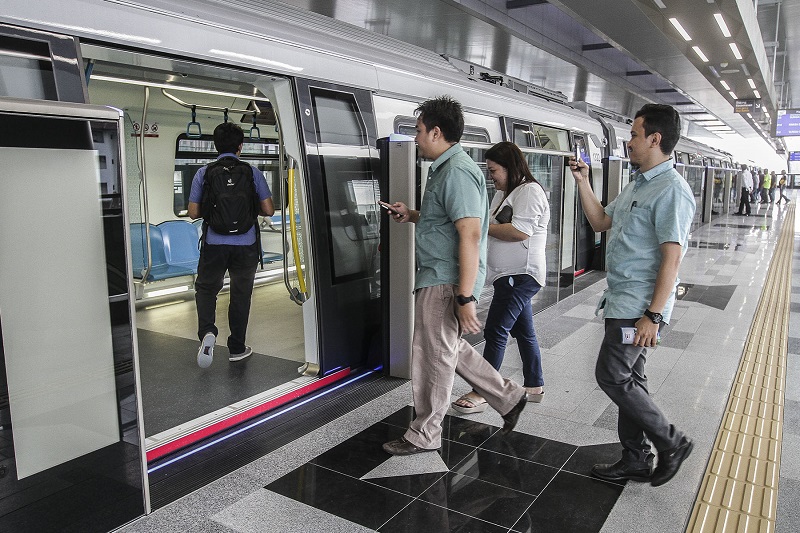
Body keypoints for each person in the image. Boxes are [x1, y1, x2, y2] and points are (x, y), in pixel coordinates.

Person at [381, 96, 528, 456]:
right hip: (441, 276)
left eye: (418, 132)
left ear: (436, 131)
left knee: (433, 356)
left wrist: (464, 296)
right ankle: (509, 398)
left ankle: (424, 434)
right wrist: (411, 214)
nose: (415, 139)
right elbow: (447, 222)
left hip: (445, 280)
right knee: (448, 348)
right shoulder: (447, 170)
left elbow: (471, 234)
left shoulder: (457, 172)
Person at [569, 103, 694, 487]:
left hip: (639, 306)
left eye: (635, 134)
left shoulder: (672, 190)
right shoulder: (639, 183)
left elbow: (671, 260)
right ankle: (636, 458)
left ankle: (670, 441)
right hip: (621, 299)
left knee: (611, 374)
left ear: (655, 139)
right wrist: (583, 181)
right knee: (630, 380)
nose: (629, 141)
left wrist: (653, 316)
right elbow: (601, 221)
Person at [451, 141, 550, 414]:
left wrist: (481, 228)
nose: (491, 176)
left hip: (520, 275)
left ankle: (484, 390)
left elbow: (519, 231)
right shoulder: (505, 193)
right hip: (507, 276)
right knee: (524, 331)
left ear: (510, 167)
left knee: (496, 330)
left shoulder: (529, 192)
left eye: (494, 170)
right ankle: (534, 385)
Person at [188, 122, 275, 368]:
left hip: (214, 242)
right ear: (240, 146)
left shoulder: (204, 173)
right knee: (240, 294)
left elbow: (193, 212)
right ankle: (237, 347)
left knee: (206, 289)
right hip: (245, 244)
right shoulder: (252, 172)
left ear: (215, 146)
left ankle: (207, 331)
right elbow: (268, 209)